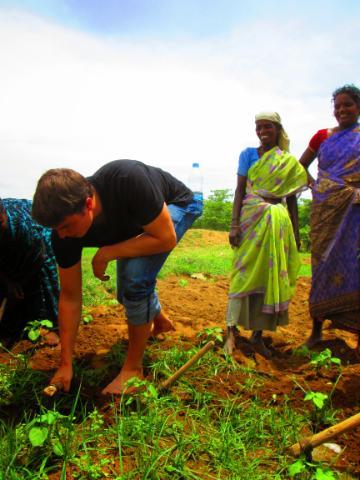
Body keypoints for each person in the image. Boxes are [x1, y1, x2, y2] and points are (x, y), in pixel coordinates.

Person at [32, 159, 203, 394]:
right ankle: (160, 320)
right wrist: (65, 363)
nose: (62, 235)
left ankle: (133, 370)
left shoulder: (126, 180)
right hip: (140, 224)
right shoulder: (63, 234)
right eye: (56, 229)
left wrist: (108, 252)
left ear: (88, 203)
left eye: (66, 226)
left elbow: (165, 238)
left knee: (134, 278)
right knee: (127, 289)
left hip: (178, 205)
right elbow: (70, 297)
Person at [224, 112, 307, 357]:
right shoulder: (248, 155)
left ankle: (257, 336)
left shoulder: (287, 161)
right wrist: (234, 225)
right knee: (241, 274)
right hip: (251, 219)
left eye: (267, 127)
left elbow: (291, 198)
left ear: (278, 129)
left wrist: (296, 230)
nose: (262, 132)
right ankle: (230, 332)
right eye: (258, 127)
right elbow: (240, 190)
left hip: (277, 224)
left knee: (269, 277)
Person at [299, 84, 360, 350]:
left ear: (358, 107)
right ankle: (316, 331)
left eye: (347, 104)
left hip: (356, 211)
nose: (341, 110)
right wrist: (315, 186)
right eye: (337, 106)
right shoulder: (322, 136)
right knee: (321, 265)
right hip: (326, 210)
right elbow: (299, 166)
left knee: (356, 267)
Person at [0, 198, 59, 342]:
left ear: (1, 219)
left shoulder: (25, 228)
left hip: (38, 249)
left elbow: (40, 257)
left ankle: (45, 327)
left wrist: (19, 283)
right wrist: (8, 283)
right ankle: (9, 327)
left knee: (40, 285)